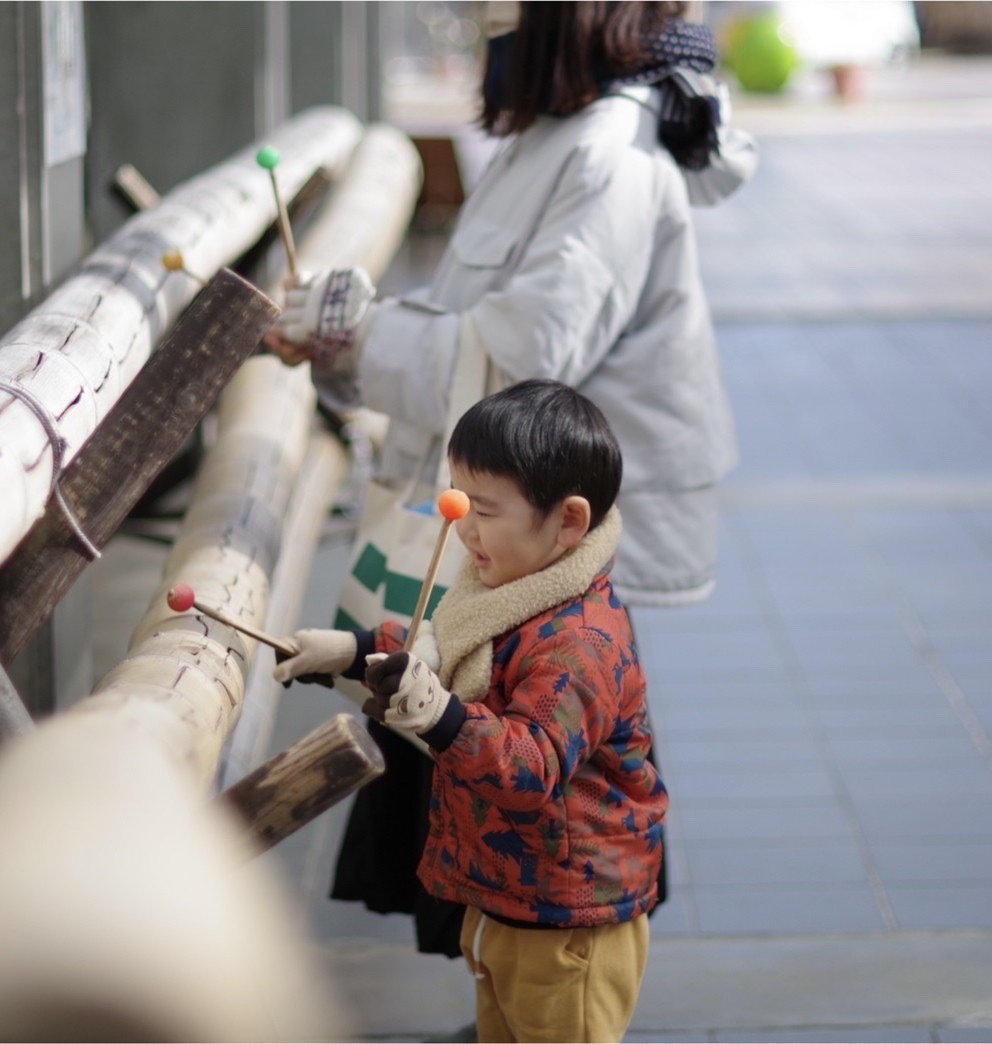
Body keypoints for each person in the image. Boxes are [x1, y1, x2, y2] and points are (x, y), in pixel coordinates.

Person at [267, 0, 753, 958]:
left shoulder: (610, 152)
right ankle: (507, 996)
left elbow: (526, 355)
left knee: (539, 785)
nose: (483, 18)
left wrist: (354, 336)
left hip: (546, 537)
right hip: (515, 529)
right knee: (490, 795)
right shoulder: (562, 133)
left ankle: (556, 988)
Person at [274, 380, 666, 1043]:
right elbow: (443, 648)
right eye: (458, 500)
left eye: (483, 510)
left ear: (568, 522)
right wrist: (352, 651)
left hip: (568, 918)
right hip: (508, 897)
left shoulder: (580, 642)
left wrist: (439, 715)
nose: (460, 526)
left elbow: (530, 766)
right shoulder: (507, 584)